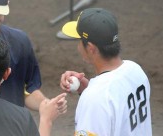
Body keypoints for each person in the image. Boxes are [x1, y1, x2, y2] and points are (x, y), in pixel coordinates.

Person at [59, 8, 152, 136]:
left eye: (80, 40)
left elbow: (103, 100)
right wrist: (86, 88)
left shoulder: (95, 98)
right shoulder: (136, 70)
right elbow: (118, 110)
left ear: (91, 48)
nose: (78, 46)